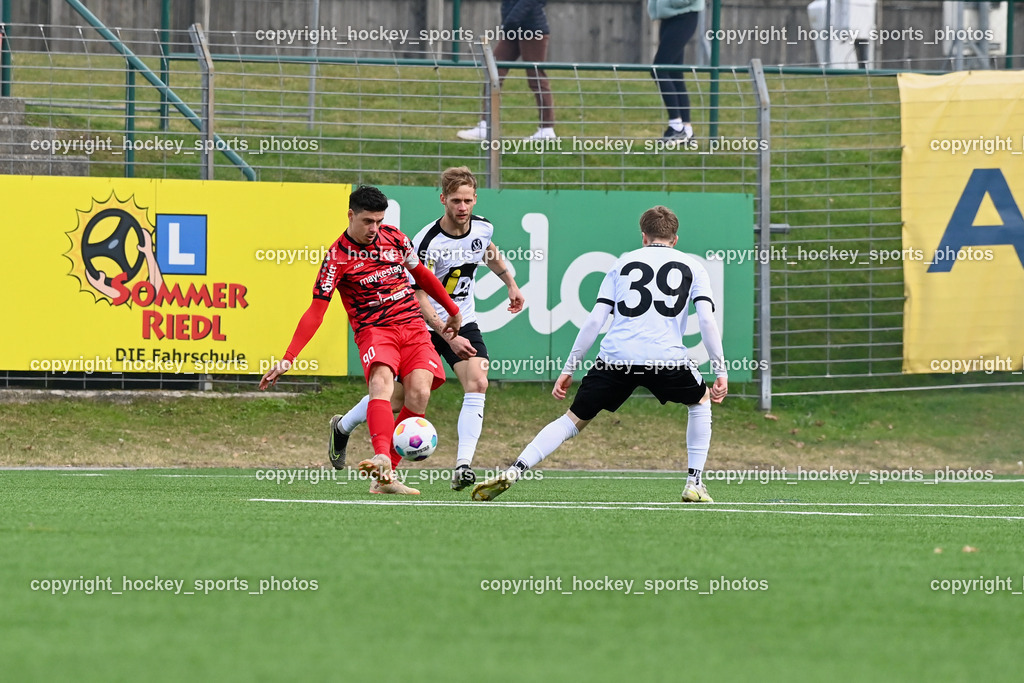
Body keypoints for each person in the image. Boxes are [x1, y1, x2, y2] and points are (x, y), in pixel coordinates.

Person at [471, 205, 728, 502]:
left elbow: (595, 320)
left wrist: (569, 368)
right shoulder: (693, 267)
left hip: (616, 358)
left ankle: (516, 469)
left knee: (572, 420)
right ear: (675, 238)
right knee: (700, 401)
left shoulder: (622, 264)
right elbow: (707, 321)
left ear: (643, 236)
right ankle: (694, 482)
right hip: (665, 359)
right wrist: (720, 371)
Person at [328, 167, 525, 492]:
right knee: (396, 397)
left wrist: (510, 283)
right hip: (423, 322)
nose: (462, 207)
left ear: (476, 199)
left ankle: (462, 466)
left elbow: (487, 250)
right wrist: (447, 333)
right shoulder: (426, 241)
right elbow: (419, 293)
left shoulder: (483, 227)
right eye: (456, 201)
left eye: (468, 200)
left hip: (462, 320)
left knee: (478, 381)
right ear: (443, 200)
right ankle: (343, 426)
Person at [259, 185, 463, 496]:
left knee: (419, 393)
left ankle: (385, 478)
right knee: (381, 384)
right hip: (375, 329)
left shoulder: (395, 238)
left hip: (412, 326)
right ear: (351, 215)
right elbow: (316, 311)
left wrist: (452, 310)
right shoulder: (336, 258)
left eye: (379, 221)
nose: (374, 228)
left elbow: (421, 275)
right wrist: (289, 357)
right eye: (368, 221)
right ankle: (382, 457)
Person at [457, 0, 557, 141]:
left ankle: (547, 129)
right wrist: (510, 24)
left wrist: (510, 21)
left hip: (532, 30)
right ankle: (486, 126)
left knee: (536, 78)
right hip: (513, 29)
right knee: (493, 72)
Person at [648, 0, 703, 142]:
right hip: (669, 16)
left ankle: (676, 127)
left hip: (683, 15)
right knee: (674, 74)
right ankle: (687, 131)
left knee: (659, 70)